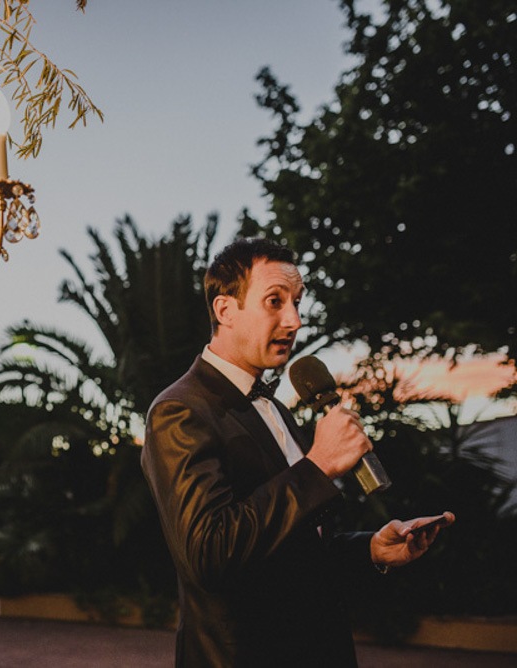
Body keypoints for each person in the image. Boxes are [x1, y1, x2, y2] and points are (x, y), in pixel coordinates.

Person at [141, 237, 453, 667]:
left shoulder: (276, 410)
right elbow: (209, 554)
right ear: (225, 310)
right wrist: (319, 465)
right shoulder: (180, 410)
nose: (294, 319)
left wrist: (370, 550)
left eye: (297, 302)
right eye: (275, 301)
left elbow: (294, 550)